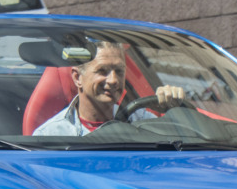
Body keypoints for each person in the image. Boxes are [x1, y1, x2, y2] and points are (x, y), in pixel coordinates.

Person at [33, 41, 186, 136]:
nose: (113, 80)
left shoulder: (143, 121)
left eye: (119, 71)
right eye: (102, 71)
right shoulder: (51, 136)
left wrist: (174, 112)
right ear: (77, 78)